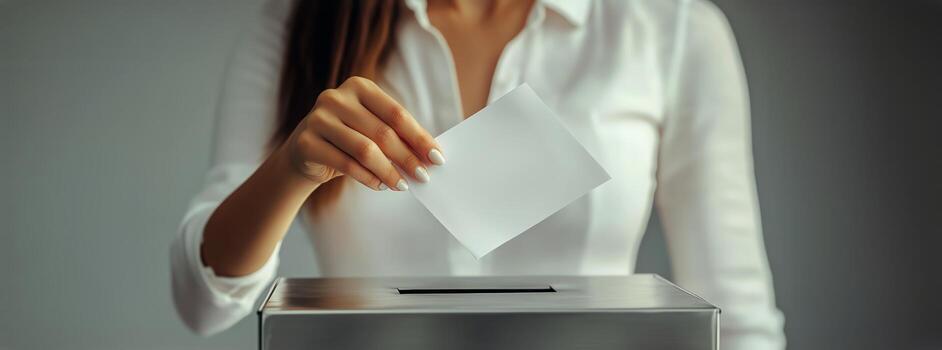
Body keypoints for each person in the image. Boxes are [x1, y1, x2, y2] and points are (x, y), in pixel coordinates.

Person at [170, 0, 785, 348]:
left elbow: (738, 317)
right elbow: (204, 304)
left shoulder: (669, 28)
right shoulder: (299, 29)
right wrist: (292, 169)